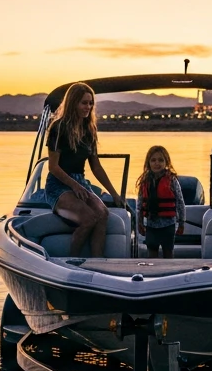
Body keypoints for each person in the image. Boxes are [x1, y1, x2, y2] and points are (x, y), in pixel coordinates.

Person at [44, 82, 122, 257]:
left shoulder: (89, 130)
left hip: (80, 182)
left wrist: (114, 193)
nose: (88, 107)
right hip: (59, 185)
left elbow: (96, 166)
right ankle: (74, 259)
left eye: (90, 103)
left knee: (102, 214)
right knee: (89, 218)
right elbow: (53, 167)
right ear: (73, 103)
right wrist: (75, 186)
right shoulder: (59, 128)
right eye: (83, 103)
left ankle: (97, 260)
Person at [136, 145, 186, 259]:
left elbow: (180, 202)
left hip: (168, 225)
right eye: (153, 160)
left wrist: (181, 223)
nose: (156, 163)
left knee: (168, 252)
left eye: (160, 160)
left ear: (166, 162)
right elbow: (139, 205)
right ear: (148, 163)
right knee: (151, 253)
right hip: (151, 224)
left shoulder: (172, 180)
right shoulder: (145, 181)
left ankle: (170, 273)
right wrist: (139, 223)